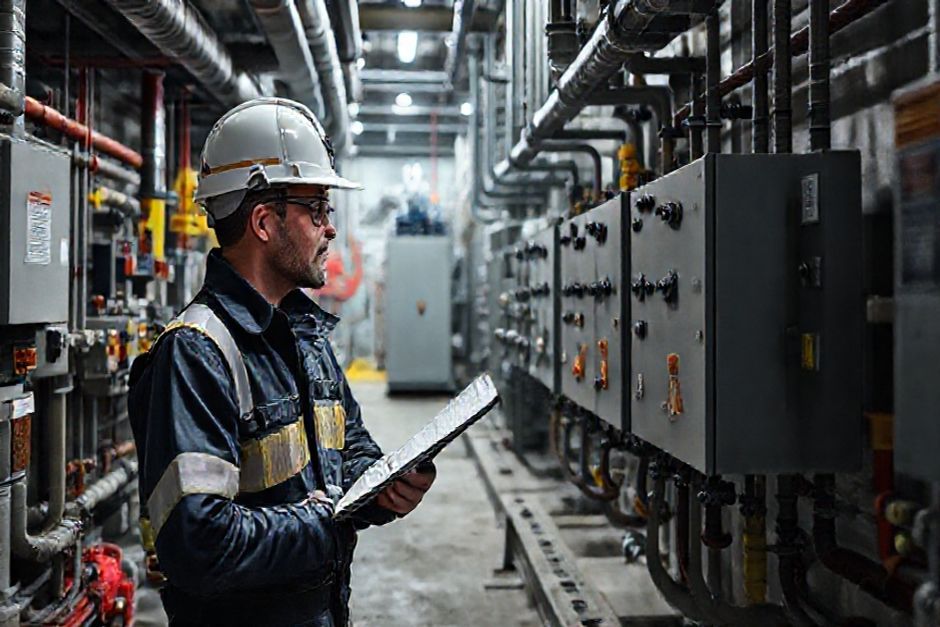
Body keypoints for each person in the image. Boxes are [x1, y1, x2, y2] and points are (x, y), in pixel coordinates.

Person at [128, 97, 436, 626]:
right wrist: (323, 523)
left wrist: (381, 489)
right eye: (316, 210)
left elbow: (350, 445)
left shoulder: (304, 333)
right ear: (265, 222)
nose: (330, 229)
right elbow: (198, 541)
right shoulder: (197, 353)